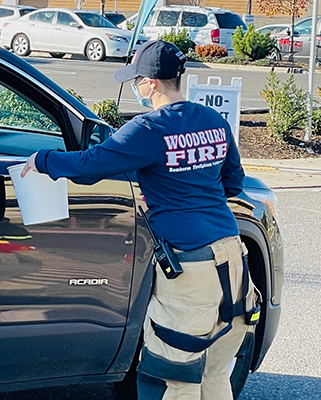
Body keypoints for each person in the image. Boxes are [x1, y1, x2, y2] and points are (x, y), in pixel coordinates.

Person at [20, 40, 259, 400]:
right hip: (233, 263)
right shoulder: (211, 120)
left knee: (172, 379)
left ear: (150, 83)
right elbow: (233, 183)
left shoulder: (148, 129)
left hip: (191, 271)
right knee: (213, 374)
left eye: (137, 80)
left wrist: (42, 160)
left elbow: (90, 166)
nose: (136, 87)